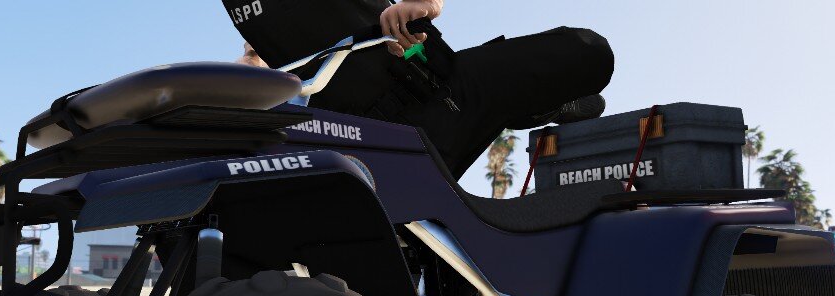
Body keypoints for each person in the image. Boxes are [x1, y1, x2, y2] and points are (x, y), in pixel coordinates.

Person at [227, 0, 614, 180]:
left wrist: (425, 3)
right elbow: (253, 63)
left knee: (590, 51)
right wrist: (241, 76)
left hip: (443, 91)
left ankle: (544, 108)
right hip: (371, 150)